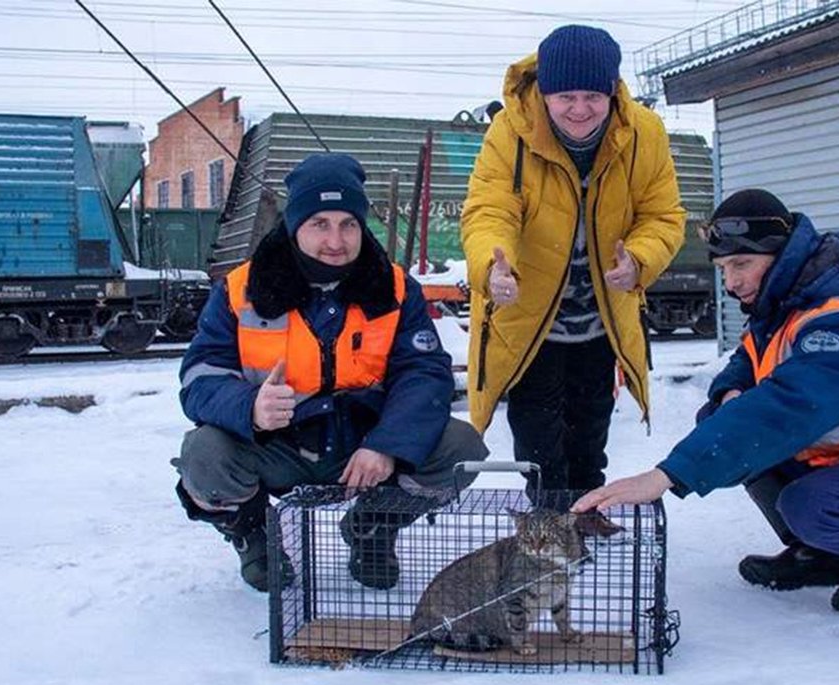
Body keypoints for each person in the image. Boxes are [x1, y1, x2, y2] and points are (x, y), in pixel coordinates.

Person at [572, 189, 839, 618]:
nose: (732, 281)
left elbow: (782, 411)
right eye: (723, 268)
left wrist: (669, 475)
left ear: (782, 255)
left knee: (805, 499)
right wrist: (729, 393)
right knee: (725, 419)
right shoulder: (784, 308)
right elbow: (744, 360)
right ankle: (822, 555)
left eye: (742, 265)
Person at [173, 153, 488, 592]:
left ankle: (372, 528)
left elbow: (424, 374)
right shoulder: (239, 289)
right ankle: (254, 535)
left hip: (361, 450)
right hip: (276, 446)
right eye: (320, 223)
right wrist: (251, 407)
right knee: (204, 453)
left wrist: (387, 444)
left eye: (348, 223)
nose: (336, 240)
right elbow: (199, 378)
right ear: (294, 225)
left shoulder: (394, 288)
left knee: (461, 446)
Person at [461, 24, 686, 509]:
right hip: (530, 319)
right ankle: (550, 519)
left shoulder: (644, 133)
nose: (579, 109)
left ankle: (584, 514)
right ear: (543, 93)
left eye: (592, 96)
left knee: (590, 430)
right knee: (538, 437)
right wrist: (492, 265)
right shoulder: (510, 132)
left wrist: (641, 260)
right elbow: (489, 211)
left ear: (612, 92)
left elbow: (663, 215)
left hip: (602, 318)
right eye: (565, 96)